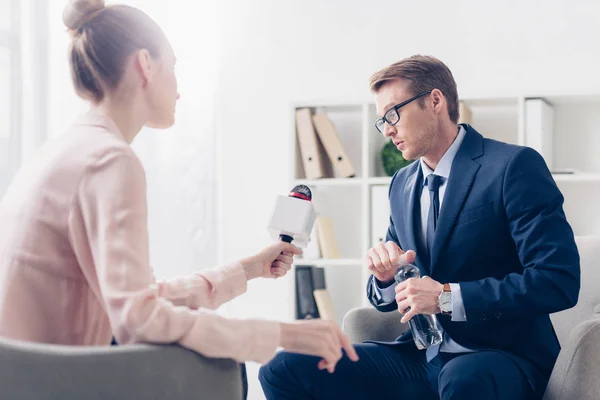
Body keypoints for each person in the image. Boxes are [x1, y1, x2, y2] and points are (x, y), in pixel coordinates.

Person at [0, 0, 359, 391]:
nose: (179, 88)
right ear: (145, 65)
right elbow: (141, 319)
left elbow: (142, 299)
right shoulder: (111, 160)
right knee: (221, 366)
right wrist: (282, 335)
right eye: (172, 66)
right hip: (46, 381)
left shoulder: (69, 148)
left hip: (23, 372)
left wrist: (250, 268)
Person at [259, 55, 580, 400]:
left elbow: (556, 280)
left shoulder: (512, 166)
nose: (388, 129)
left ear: (435, 101)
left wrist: (445, 298)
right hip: (419, 355)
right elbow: (390, 288)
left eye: (393, 114)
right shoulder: (402, 183)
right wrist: (384, 276)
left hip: (501, 356)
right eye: (381, 121)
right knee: (282, 368)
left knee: (463, 380)